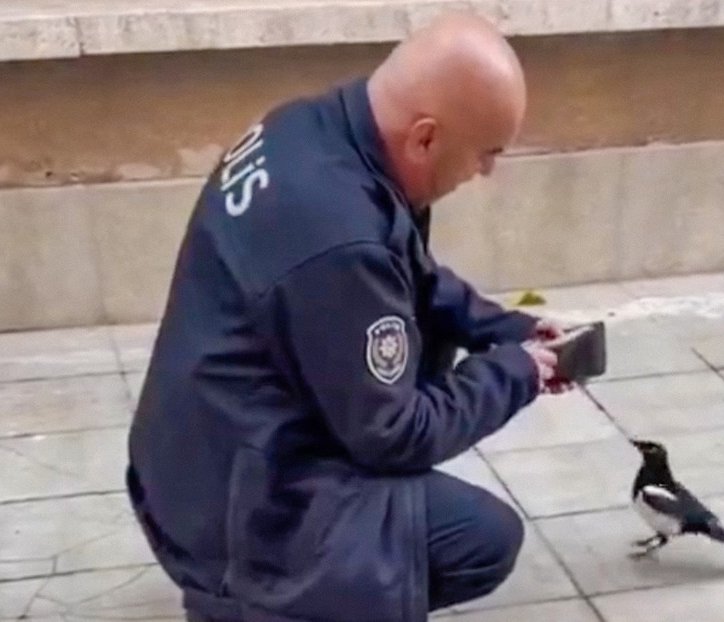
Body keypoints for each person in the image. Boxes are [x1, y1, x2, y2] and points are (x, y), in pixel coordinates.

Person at [125, 12, 569, 622]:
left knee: (406, 494)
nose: (486, 172)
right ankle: (246, 599)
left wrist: (507, 332)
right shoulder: (337, 237)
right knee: (481, 539)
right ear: (425, 137)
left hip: (192, 459)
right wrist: (514, 375)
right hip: (238, 502)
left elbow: (407, 273)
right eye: (485, 154)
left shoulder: (309, 131)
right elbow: (395, 433)